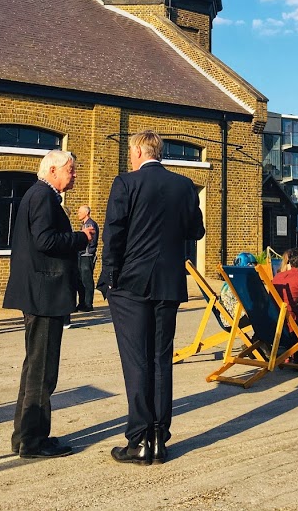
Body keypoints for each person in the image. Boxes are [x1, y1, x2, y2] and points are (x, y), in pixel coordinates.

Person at [98, 130, 205, 466]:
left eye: (131, 152)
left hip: (131, 284)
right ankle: (159, 439)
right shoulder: (185, 185)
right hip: (169, 283)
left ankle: (139, 440)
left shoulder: (126, 184)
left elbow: (113, 233)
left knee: (137, 361)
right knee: (160, 360)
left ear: (138, 151)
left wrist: (109, 277)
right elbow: (196, 231)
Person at [3, 150, 94, 460]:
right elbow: (45, 241)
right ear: (53, 170)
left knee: (34, 368)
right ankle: (33, 441)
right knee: (42, 372)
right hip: (44, 293)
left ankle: (25, 435)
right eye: (71, 169)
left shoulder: (39, 195)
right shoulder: (43, 196)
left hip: (41, 292)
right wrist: (81, 238)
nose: (74, 174)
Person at [75, 205, 99, 313]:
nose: (78, 214)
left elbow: (90, 241)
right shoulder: (84, 224)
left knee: (87, 280)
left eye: (80, 212)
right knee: (81, 280)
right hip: (82, 255)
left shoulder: (90, 224)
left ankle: (88, 304)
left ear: (86, 213)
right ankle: (82, 303)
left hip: (87, 255)